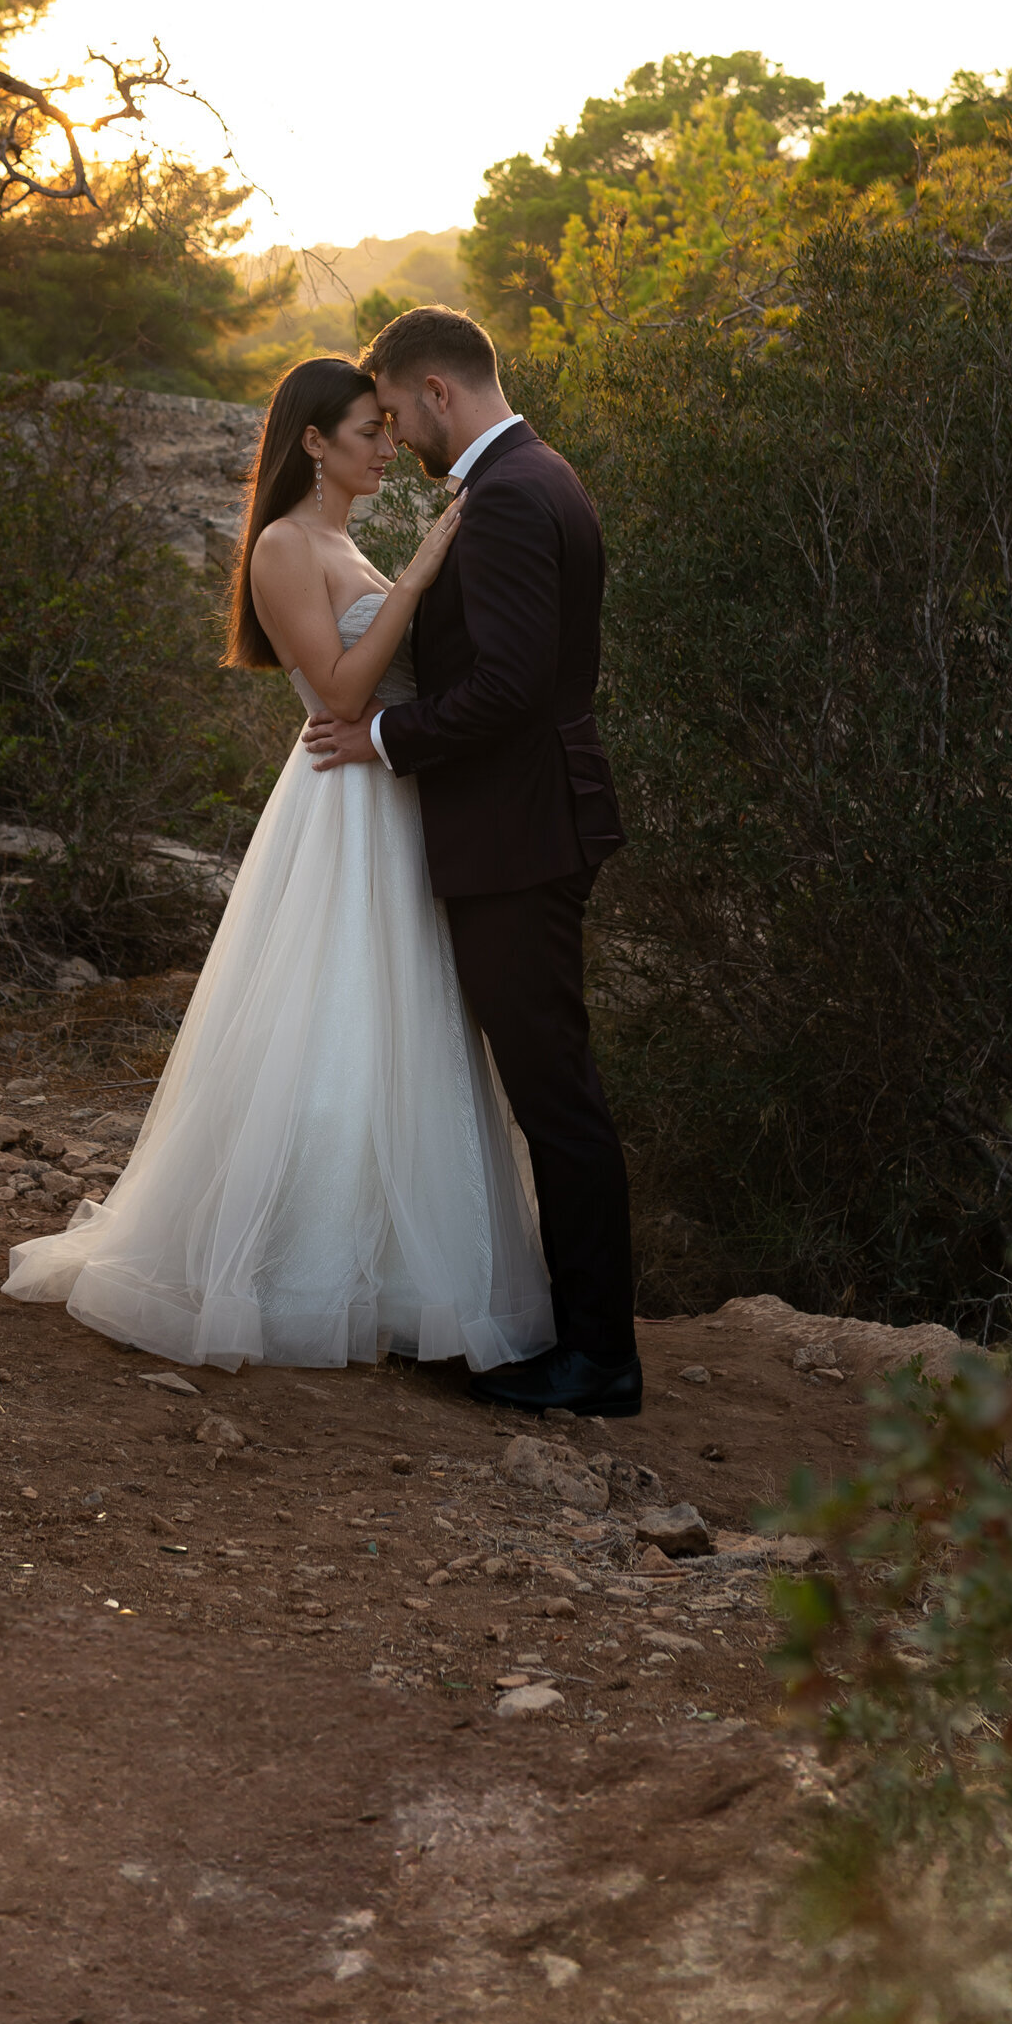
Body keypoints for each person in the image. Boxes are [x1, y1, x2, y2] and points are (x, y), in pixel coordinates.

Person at [0, 355, 555, 1373]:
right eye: (368, 431)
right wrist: (427, 568)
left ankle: (397, 1274)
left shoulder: (341, 537)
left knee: (402, 1028)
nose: (389, 447)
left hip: (390, 796)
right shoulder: (283, 546)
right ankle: (295, 1270)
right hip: (341, 800)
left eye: (391, 429)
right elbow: (341, 693)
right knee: (334, 1025)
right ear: (312, 440)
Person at [306, 304, 639, 1418]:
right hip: (533, 815)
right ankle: (571, 1330)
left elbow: (505, 686)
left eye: (396, 412)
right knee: (549, 1084)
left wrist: (382, 737)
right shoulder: (540, 476)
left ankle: (597, 1356)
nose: (396, 435)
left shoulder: (503, 498)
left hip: (518, 827)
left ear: (436, 390)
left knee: (553, 1093)